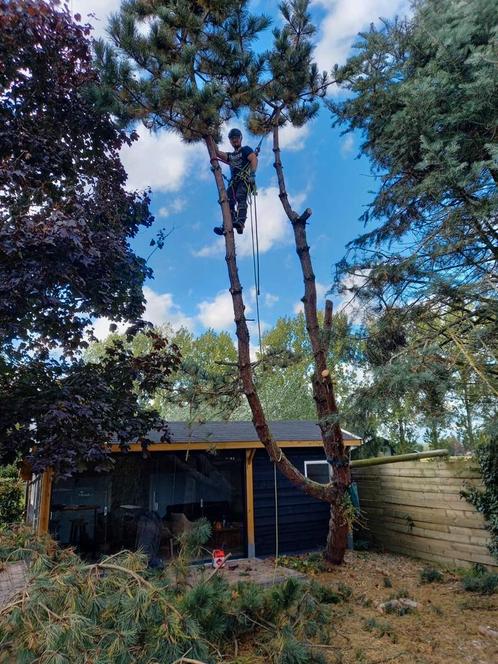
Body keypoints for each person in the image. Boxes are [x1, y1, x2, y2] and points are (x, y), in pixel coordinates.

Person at [213, 128, 258, 236]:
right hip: (234, 182)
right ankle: (227, 225)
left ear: (241, 138)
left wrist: (252, 174)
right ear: (230, 141)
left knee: (240, 196)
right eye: (232, 139)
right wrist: (211, 137)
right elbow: (218, 153)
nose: (235, 140)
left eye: (236, 138)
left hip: (244, 180)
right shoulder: (231, 155)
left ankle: (240, 222)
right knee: (227, 201)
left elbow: (253, 159)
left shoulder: (246, 150)